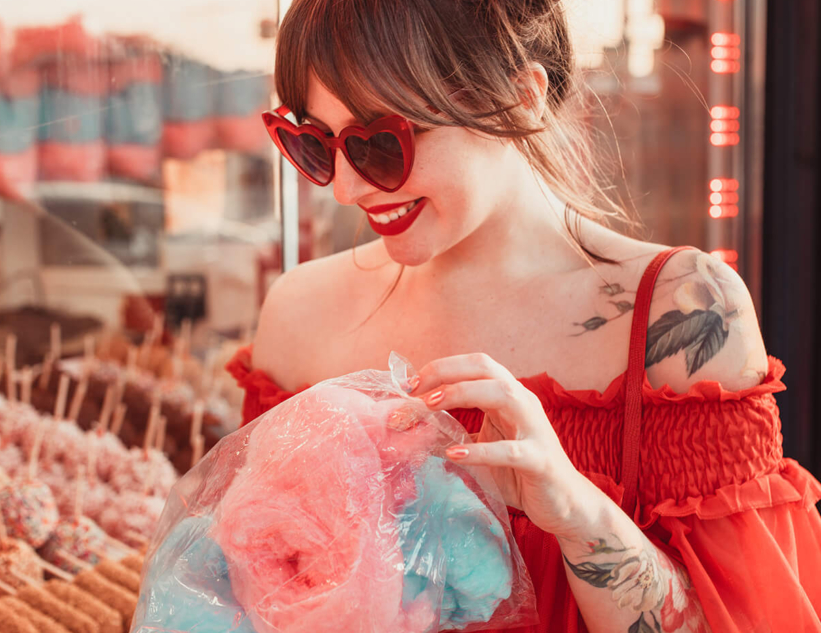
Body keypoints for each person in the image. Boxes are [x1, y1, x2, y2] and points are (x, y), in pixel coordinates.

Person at [227, 0, 821, 631]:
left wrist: (572, 510)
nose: (345, 188)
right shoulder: (298, 314)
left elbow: (746, 619)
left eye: (377, 143)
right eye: (314, 143)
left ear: (519, 99)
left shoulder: (683, 314)